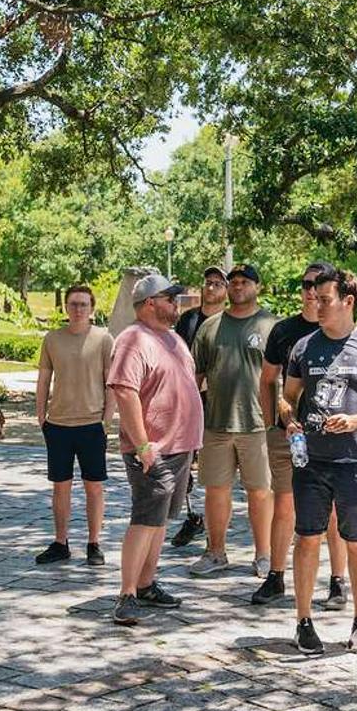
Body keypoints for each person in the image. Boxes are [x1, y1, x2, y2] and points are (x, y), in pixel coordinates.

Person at [281, 265, 357, 655]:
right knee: (307, 537)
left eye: (325, 299)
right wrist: (287, 418)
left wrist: (354, 420)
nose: (316, 304)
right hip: (311, 461)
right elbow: (287, 396)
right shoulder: (303, 347)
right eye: (314, 298)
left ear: (348, 302)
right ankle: (303, 622)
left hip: (356, 460)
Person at [107, 272, 205, 626]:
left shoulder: (174, 339)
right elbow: (124, 391)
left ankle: (147, 583)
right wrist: (143, 444)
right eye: (169, 298)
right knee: (145, 519)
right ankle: (127, 594)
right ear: (149, 303)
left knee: (161, 520)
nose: (175, 304)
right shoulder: (133, 339)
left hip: (180, 448)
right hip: (152, 450)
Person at [251, 262, 350, 608]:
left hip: (333, 438)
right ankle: (276, 576)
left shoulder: (343, 333)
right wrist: (270, 423)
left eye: (318, 287)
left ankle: (338, 581)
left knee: (334, 510)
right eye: (305, 284)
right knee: (285, 503)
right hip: (290, 434)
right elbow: (267, 380)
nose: (311, 292)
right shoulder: (284, 331)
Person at [186, 263, 277, 577]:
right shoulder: (210, 327)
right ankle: (215, 552)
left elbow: (285, 377)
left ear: (257, 287)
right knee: (216, 490)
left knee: (260, 491)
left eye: (245, 281)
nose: (238, 286)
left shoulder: (270, 326)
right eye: (233, 281)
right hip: (217, 424)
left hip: (259, 425)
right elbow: (194, 376)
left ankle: (265, 555)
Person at [35, 284, 115, 566]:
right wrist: (40, 415)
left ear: (91, 308)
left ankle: (94, 543)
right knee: (61, 487)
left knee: (94, 486)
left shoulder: (104, 339)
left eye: (83, 304)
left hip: (92, 424)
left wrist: (106, 420)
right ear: (66, 307)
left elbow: (111, 383)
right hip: (57, 425)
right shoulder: (52, 339)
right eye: (73, 304)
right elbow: (44, 378)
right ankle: (61, 542)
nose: (78, 309)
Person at [168, 266, 226, 547]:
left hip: (222, 402)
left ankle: (221, 525)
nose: (212, 287)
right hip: (188, 398)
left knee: (218, 465)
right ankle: (192, 516)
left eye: (218, 283)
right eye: (208, 282)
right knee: (184, 460)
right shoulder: (189, 320)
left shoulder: (231, 321)